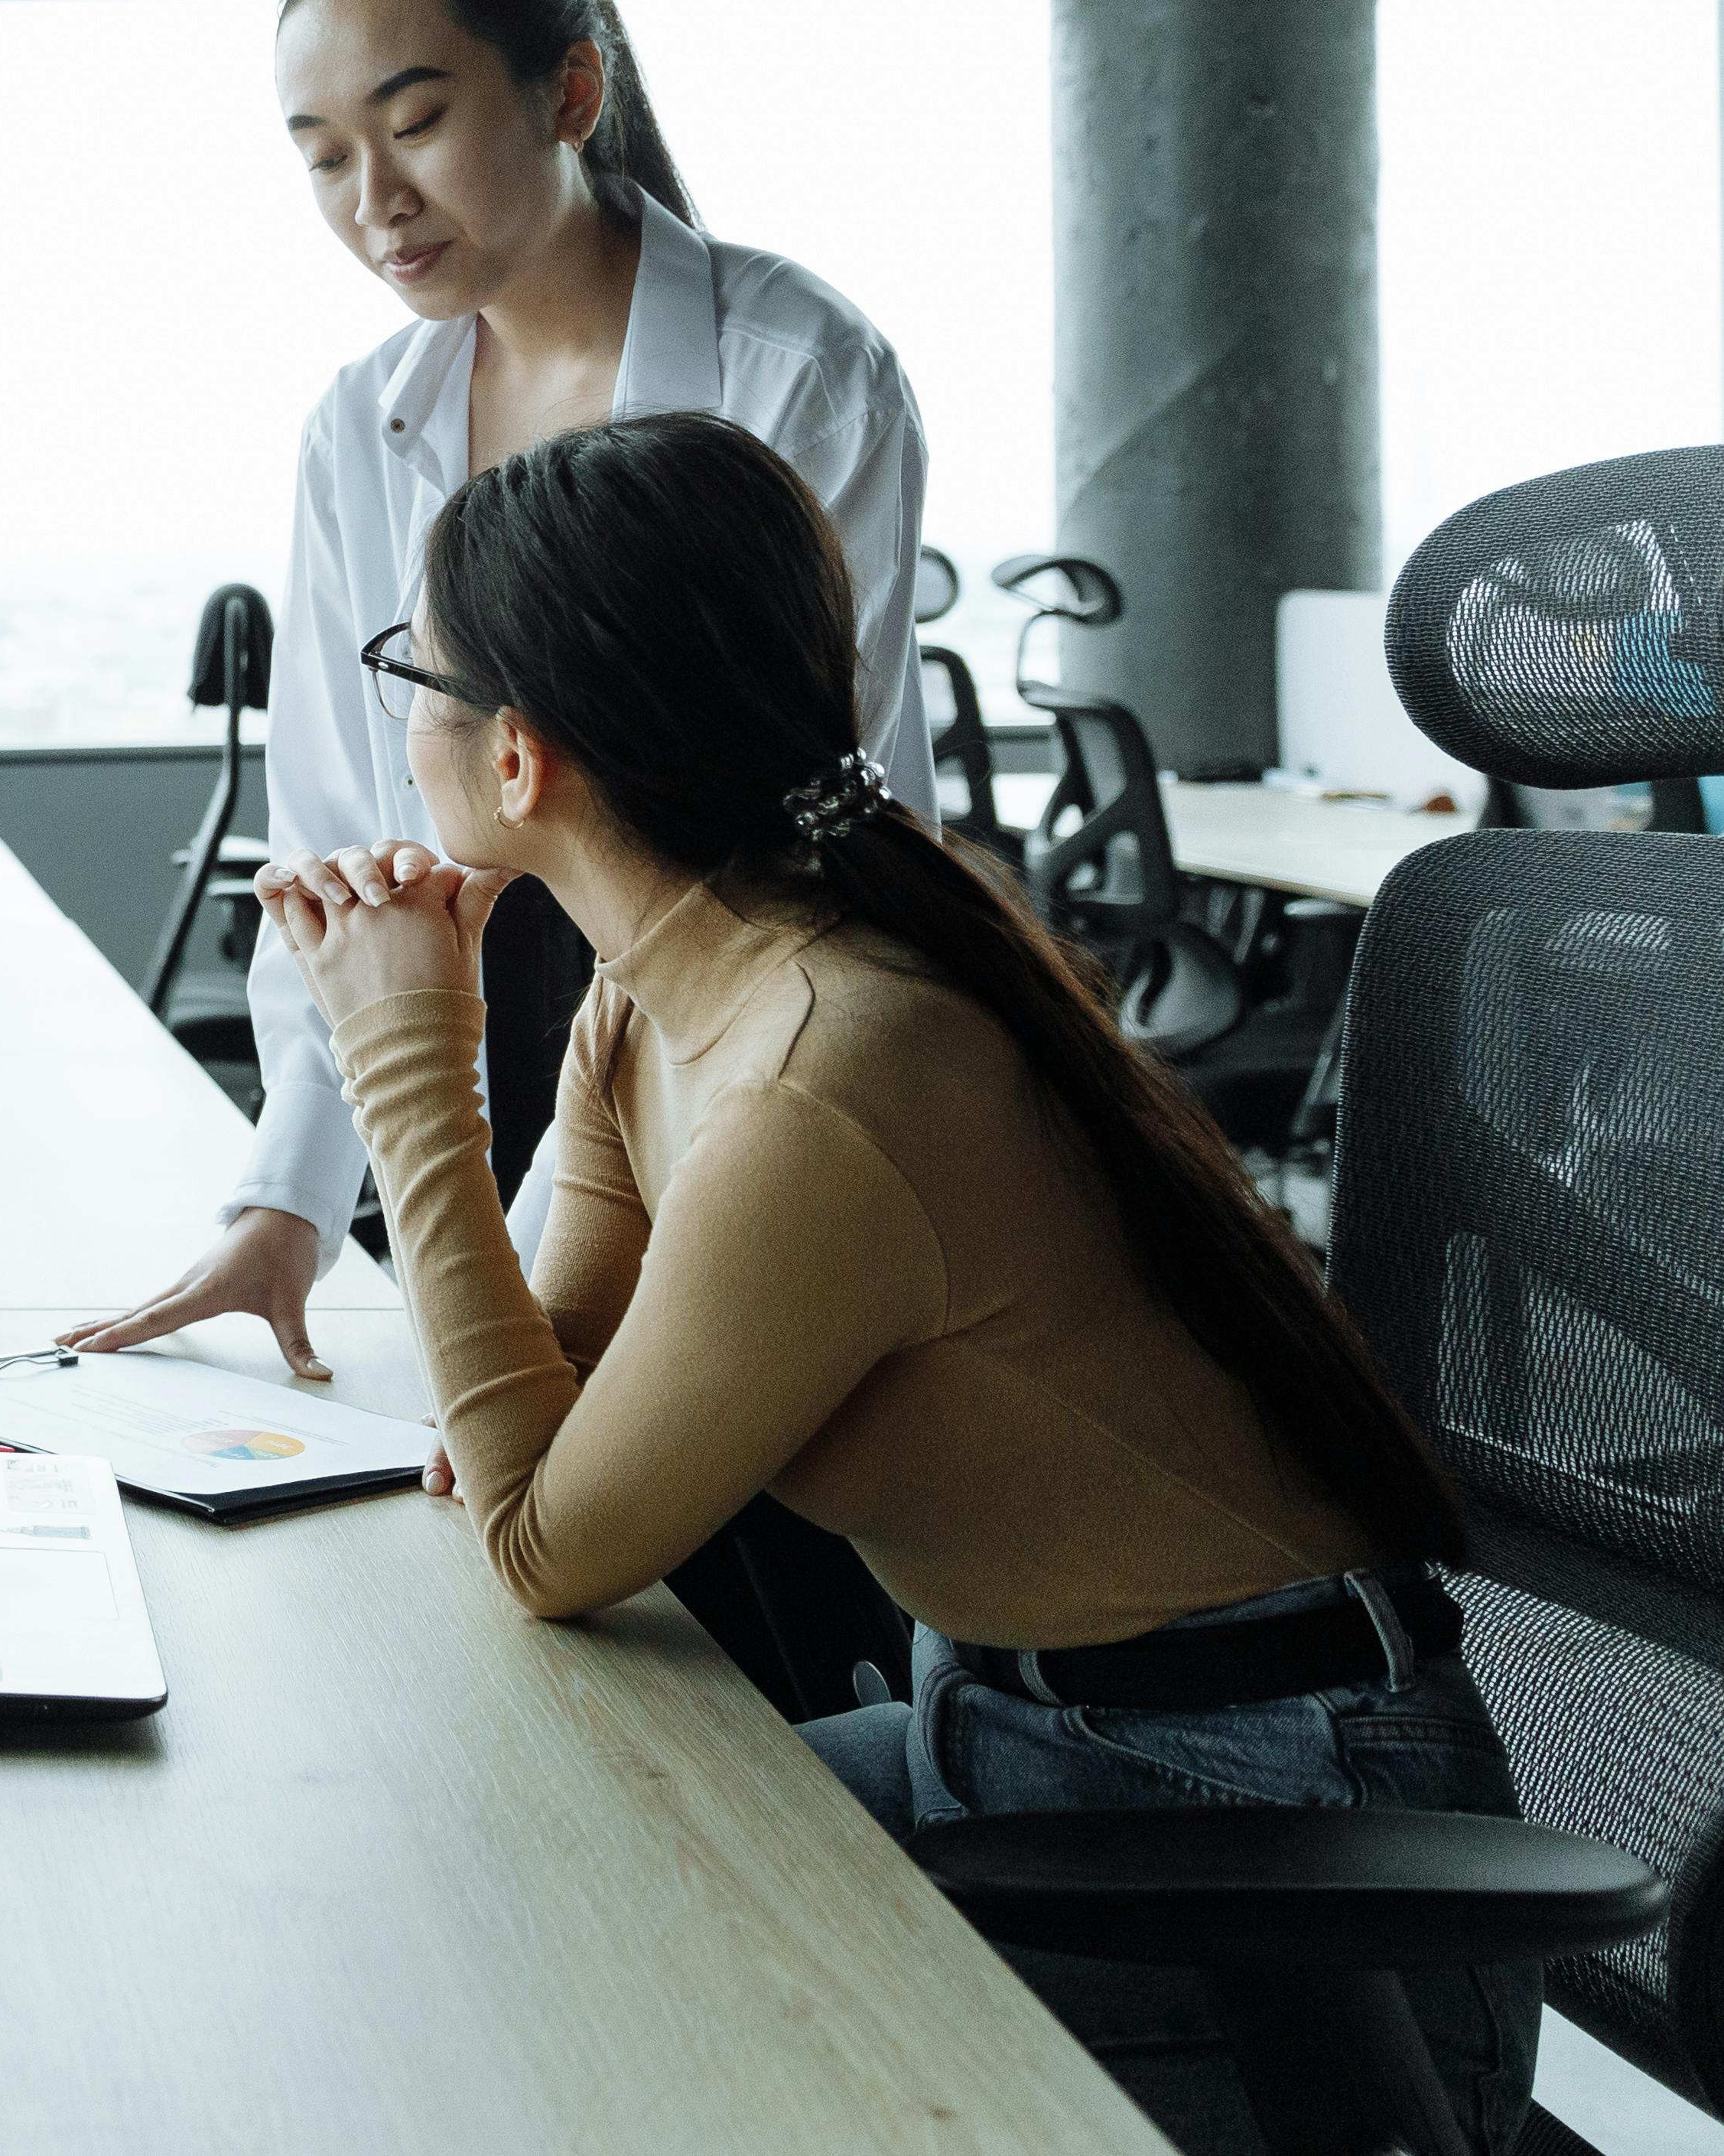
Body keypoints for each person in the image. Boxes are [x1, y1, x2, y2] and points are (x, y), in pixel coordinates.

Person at [260, 409, 1533, 2156]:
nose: (390, 712)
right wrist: (455, 1077)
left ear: (518, 758)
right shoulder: (662, 999)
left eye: (410, 668)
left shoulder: (819, 1077)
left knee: (546, 2001)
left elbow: (542, 1539)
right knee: (466, 1882)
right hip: (1015, 1741)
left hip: (1272, 1859)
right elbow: (537, 1404)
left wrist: (407, 1059)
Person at [67, 0, 933, 1397]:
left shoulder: (796, 375)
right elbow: (336, 839)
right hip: (472, 1021)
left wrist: (537, 1274)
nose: (371, 197)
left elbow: (761, 857)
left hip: (749, 1045)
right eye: (323, 154)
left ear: (569, 92)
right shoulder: (363, 421)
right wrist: (286, 1200)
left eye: (412, 122)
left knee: (635, 1564)